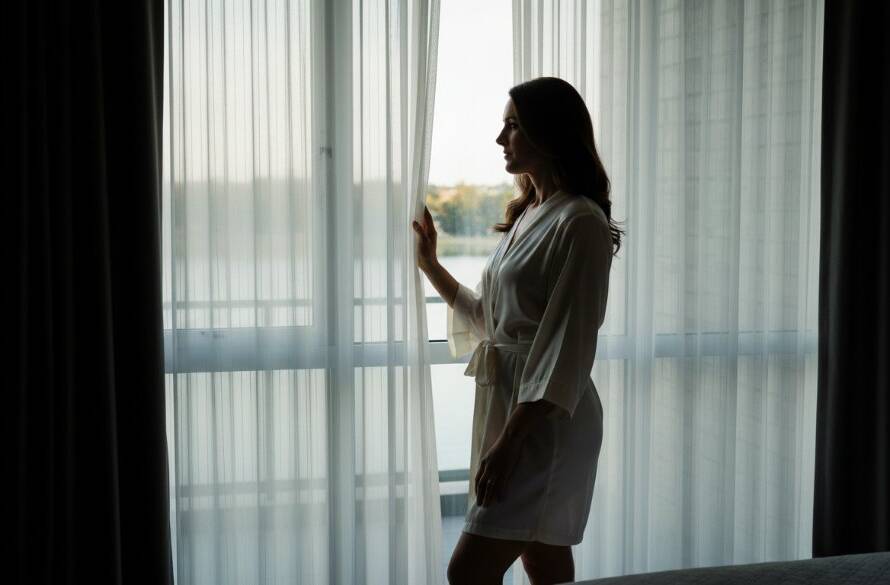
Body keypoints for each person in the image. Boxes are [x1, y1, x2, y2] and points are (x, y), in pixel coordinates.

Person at [412, 76, 623, 585]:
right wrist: (431, 266)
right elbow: (492, 320)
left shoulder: (581, 223)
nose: (500, 139)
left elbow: (567, 346)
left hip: (545, 425)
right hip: (514, 410)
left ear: (548, 134)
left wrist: (509, 443)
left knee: (468, 572)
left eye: (512, 126)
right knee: (542, 559)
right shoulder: (531, 213)